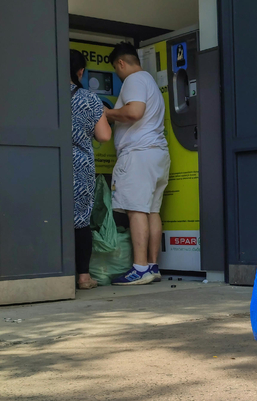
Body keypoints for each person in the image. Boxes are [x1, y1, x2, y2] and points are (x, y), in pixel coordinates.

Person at [105, 42, 170, 286]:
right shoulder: (149, 82)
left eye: (115, 68)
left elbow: (134, 112)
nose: (118, 74)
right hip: (156, 154)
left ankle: (140, 268)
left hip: (139, 154)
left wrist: (107, 113)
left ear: (121, 63)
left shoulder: (133, 79)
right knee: (152, 210)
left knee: (136, 210)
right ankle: (152, 266)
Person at [70, 49, 112, 290]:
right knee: (80, 219)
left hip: (49, 163)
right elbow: (104, 135)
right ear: (81, 72)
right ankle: (83, 277)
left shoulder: (45, 96)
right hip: (80, 164)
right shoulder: (88, 98)